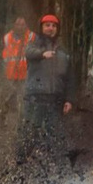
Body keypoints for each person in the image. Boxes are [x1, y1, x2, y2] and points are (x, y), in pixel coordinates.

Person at [18, 14, 71, 168]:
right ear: (41, 28)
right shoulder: (34, 43)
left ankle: (54, 166)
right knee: (29, 132)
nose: (50, 28)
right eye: (47, 25)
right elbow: (28, 52)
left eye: (53, 26)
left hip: (55, 100)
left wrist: (69, 99)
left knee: (55, 135)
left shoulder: (63, 51)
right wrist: (43, 54)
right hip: (35, 97)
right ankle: (21, 164)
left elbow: (69, 77)